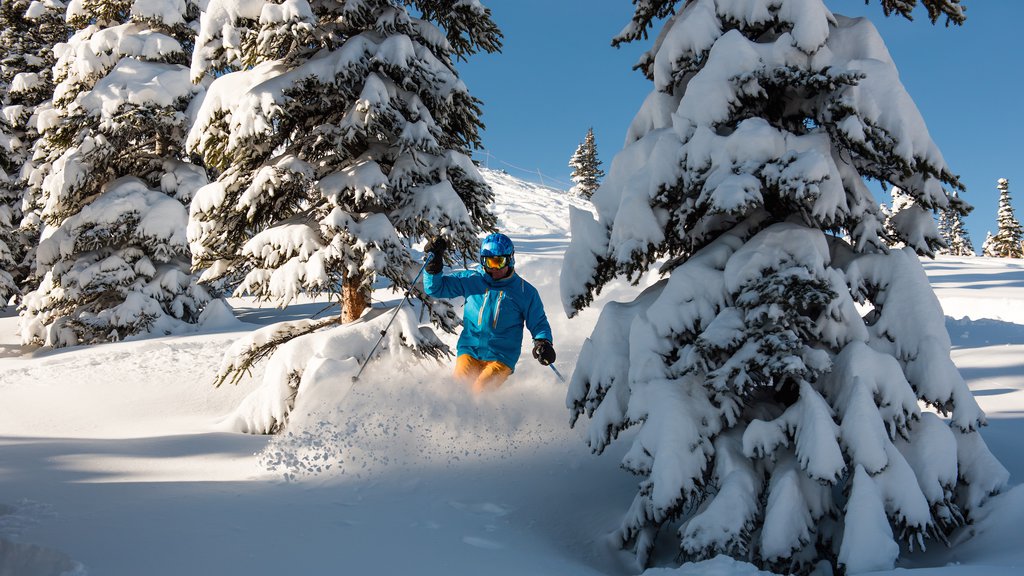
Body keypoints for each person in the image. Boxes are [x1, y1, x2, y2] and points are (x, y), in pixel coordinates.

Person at [422, 232, 555, 393]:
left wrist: (543, 342)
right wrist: (433, 267)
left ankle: (482, 416)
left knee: (479, 391)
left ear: (510, 259)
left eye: (499, 262)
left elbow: (538, 322)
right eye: (488, 262)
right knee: (459, 390)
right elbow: (435, 288)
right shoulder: (472, 279)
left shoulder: (524, 292)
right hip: (470, 350)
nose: (493, 268)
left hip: (501, 357)